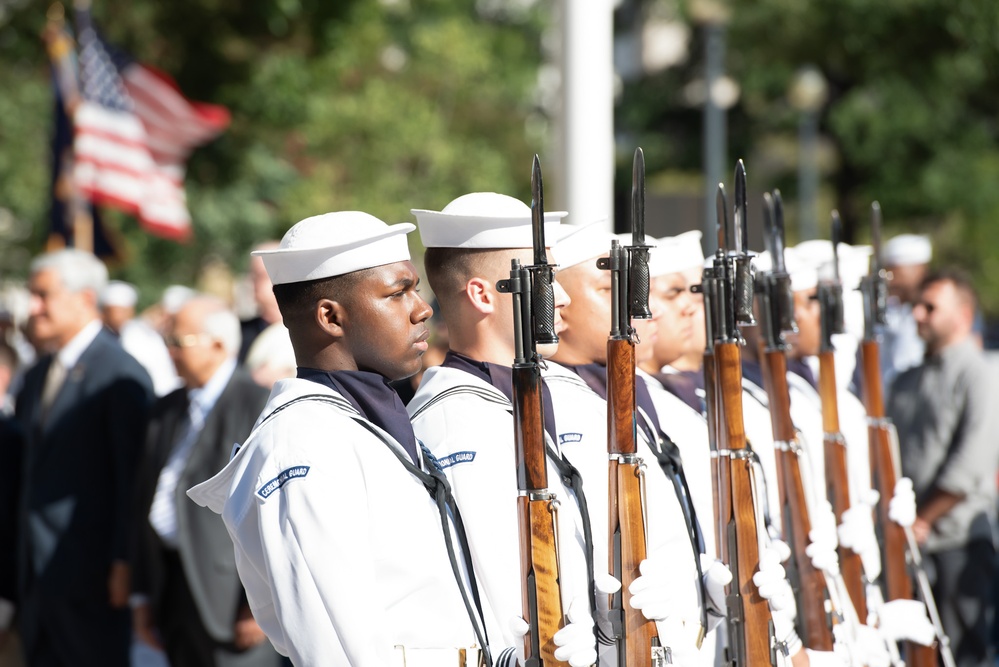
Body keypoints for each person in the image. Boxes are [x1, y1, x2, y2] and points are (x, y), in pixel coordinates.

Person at [187, 211, 489, 666]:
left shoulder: (360, 421)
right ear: (330, 316)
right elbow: (335, 647)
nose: (422, 308)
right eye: (397, 292)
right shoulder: (303, 443)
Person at [408, 193, 598, 667]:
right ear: (482, 294)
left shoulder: (574, 394)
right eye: (546, 279)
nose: (566, 297)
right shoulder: (441, 423)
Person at [547, 224, 729, 667]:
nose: (633, 304)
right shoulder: (555, 404)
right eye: (610, 287)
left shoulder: (627, 395)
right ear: (562, 307)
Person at [14, 249, 153, 667]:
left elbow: (132, 480)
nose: (33, 308)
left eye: (44, 296)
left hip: (90, 578)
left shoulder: (120, 374)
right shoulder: (37, 375)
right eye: (31, 295)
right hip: (35, 576)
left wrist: (123, 563)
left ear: (85, 298)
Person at [133, 296, 278, 667]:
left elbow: (272, 510)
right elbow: (142, 500)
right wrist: (142, 594)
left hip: (231, 599)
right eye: (167, 340)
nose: (169, 351)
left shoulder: (256, 404)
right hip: (173, 587)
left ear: (218, 344)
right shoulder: (166, 409)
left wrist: (258, 604)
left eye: (179, 341)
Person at [887, 269, 999, 667]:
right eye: (916, 304)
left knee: (966, 657)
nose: (917, 313)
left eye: (930, 307)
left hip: (957, 542)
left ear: (962, 315)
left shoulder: (980, 374)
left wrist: (923, 519)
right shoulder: (904, 381)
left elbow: (972, 464)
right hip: (908, 541)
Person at [100, 280, 181, 397]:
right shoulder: (98, 335)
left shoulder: (144, 338)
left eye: (124, 311)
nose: (120, 316)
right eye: (116, 311)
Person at [880, 234, 931, 386]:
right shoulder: (890, 310)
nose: (891, 281)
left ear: (919, 270)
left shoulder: (943, 309)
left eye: (897, 274)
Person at [238, 241, 282, 364]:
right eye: (254, 276)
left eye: (261, 276)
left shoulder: (311, 330)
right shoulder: (240, 334)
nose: (253, 283)